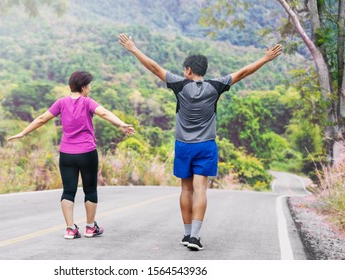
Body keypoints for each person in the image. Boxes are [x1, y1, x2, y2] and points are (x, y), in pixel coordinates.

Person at [119, 33, 282, 251]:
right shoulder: (216, 86)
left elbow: (155, 67)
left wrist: (133, 48)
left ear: (188, 70)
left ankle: (187, 234)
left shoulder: (179, 85)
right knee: (201, 190)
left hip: (183, 145)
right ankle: (195, 237)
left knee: (186, 190)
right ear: (202, 71)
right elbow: (242, 72)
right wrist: (265, 59)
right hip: (206, 146)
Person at [8, 71, 136, 239]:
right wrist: (121, 124)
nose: (90, 89)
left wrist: (23, 133)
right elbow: (104, 113)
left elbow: (41, 119)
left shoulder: (61, 103)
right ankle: (90, 227)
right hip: (87, 153)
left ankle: (70, 229)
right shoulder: (87, 102)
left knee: (68, 190)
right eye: (89, 86)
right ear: (83, 87)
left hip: (66, 154)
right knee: (90, 189)